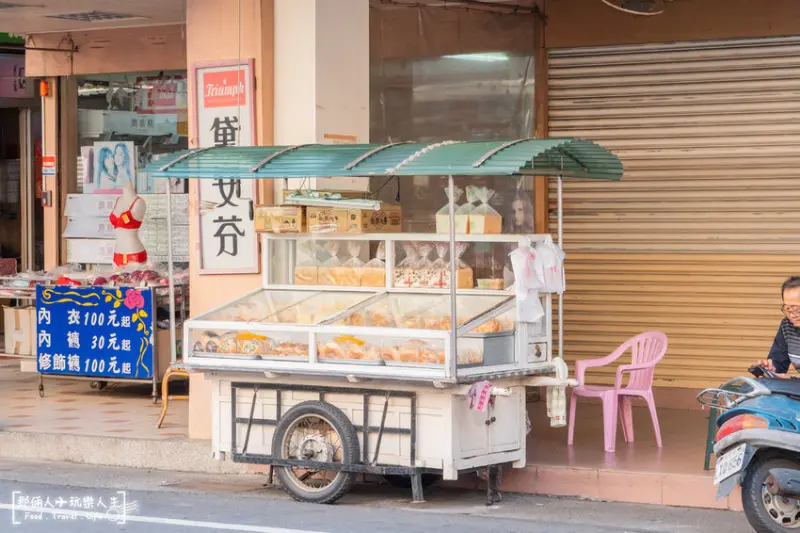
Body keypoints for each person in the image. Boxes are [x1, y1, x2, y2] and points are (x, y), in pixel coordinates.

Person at [754, 276, 800, 377]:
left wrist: (791, 381)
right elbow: (779, 362)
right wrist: (771, 369)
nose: (792, 315)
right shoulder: (787, 326)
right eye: (788, 308)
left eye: (796, 309)